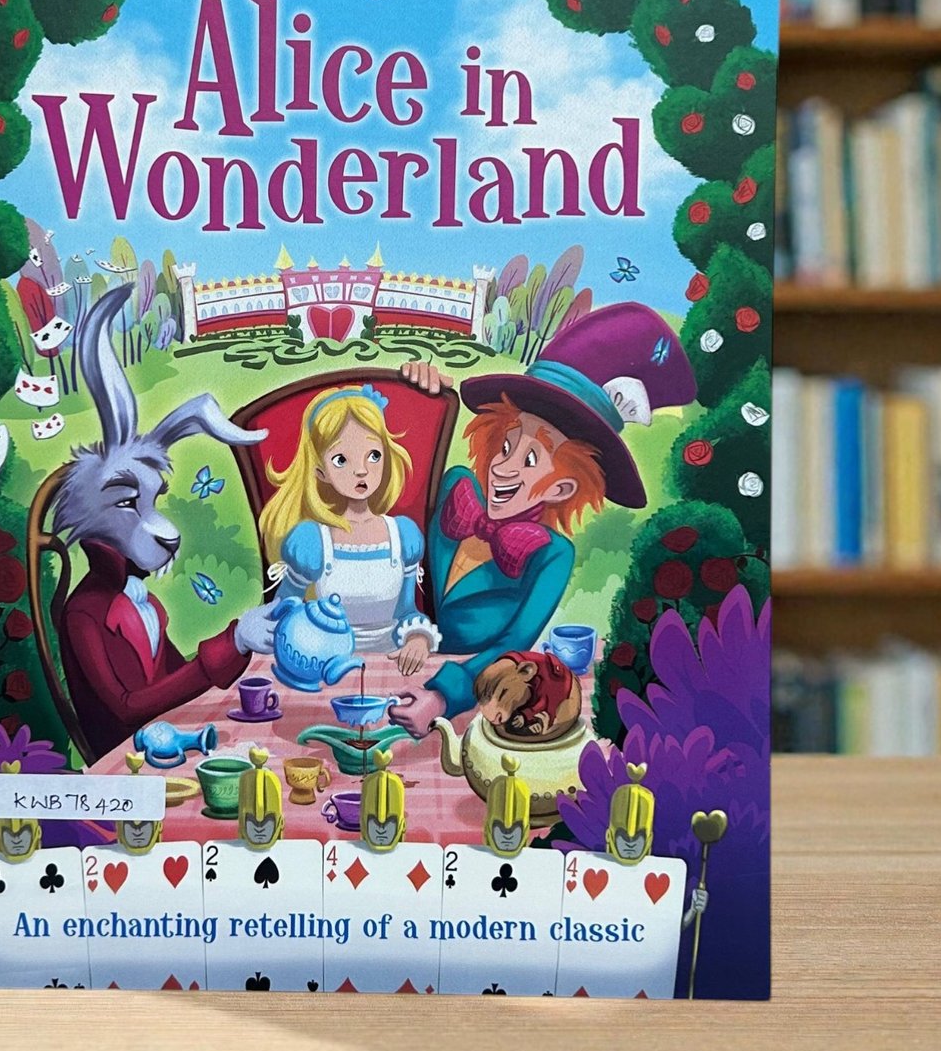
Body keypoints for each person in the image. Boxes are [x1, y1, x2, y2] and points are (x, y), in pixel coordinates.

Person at [389, 301, 697, 735]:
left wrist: (442, 696)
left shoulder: (550, 555)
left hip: (468, 700)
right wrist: (417, 401)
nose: (503, 467)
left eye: (530, 458)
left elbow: (512, 645)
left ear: (562, 488)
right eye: (506, 445)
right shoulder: (456, 486)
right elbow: (384, 492)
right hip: (379, 657)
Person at [261, 384, 440, 679]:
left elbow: (407, 611)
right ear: (320, 471)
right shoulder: (313, 541)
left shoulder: (402, 535)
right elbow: (282, 614)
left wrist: (418, 638)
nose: (361, 470)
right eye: (341, 460)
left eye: (373, 455)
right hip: (325, 670)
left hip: (391, 668)